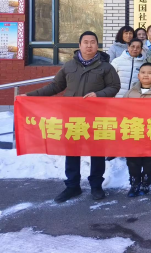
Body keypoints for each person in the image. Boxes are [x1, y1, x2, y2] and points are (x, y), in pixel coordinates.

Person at [24, 31, 121, 203]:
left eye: (92, 42)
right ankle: (72, 186)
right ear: (79, 45)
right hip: (72, 117)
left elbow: (115, 86)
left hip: (97, 117)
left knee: (97, 152)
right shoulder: (69, 66)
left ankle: (96, 185)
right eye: (86, 42)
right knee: (72, 151)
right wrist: (29, 96)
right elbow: (55, 86)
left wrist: (98, 94)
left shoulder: (106, 67)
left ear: (97, 45)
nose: (89, 45)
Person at [123, 63, 151, 197]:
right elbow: (121, 110)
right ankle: (134, 182)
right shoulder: (130, 93)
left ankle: (146, 182)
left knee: (149, 159)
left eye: (150, 73)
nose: (146, 75)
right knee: (132, 159)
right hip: (134, 131)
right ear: (138, 75)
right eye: (143, 72)